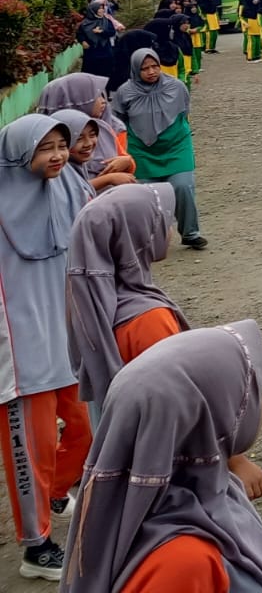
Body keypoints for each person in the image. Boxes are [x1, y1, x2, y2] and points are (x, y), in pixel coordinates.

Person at [61, 320, 262, 593]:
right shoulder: (184, 563)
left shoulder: (209, 491)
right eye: (250, 389)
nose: (259, 400)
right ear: (214, 418)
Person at [0, 116, 93, 580]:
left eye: (61, 145)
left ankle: (56, 493)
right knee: (30, 451)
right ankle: (35, 548)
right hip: (20, 352)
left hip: (64, 339)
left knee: (87, 429)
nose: (58, 155)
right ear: (20, 153)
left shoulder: (66, 186)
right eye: (45, 148)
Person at [64, 182, 187, 416]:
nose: (169, 229)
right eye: (160, 221)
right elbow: (177, 403)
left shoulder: (91, 306)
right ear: (137, 236)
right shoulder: (149, 319)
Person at [110, 51, 205, 249]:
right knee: (146, 195)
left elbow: (184, 110)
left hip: (176, 145)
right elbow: (118, 122)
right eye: (144, 68)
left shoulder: (176, 86)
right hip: (141, 150)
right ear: (135, 70)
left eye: (155, 66)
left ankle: (190, 233)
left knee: (183, 186)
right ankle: (151, 238)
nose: (151, 72)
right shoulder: (124, 92)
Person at [35, 73, 131, 181]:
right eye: (96, 97)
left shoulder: (106, 128)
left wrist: (128, 162)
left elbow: (123, 161)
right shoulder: (50, 145)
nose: (103, 101)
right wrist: (106, 180)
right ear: (77, 100)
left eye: (93, 135)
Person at [75, 0, 119, 80]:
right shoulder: (85, 23)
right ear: (93, 10)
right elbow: (79, 34)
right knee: (90, 76)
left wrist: (101, 32)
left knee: (106, 76)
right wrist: (83, 41)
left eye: (102, 8)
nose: (102, 10)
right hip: (91, 52)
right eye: (99, 8)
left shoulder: (106, 21)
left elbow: (112, 32)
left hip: (105, 52)